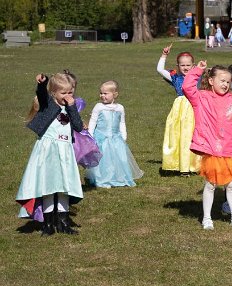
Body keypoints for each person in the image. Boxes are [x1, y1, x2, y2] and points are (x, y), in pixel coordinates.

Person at [182, 60, 232, 230]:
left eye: (228, 81)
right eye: (222, 80)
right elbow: (187, 87)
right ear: (212, 81)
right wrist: (197, 69)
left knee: (231, 184)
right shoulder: (201, 98)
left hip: (229, 149)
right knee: (211, 184)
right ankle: (207, 218)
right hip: (211, 149)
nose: (225, 84)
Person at [16, 73, 85, 235]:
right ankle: (47, 225)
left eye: (70, 93)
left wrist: (72, 106)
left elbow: (78, 126)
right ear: (53, 93)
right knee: (48, 186)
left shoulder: (70, 107)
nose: (68, 96)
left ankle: (63, 223)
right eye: (64, 93)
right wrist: (43, 83)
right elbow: (42, 93)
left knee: (63, 187)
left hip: (65, 152)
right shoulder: (48, 104)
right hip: (48, 152)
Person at [85, 81, 143, 188]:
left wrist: (123, 135)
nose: (102, 96)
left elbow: (122, 122)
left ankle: (118, 177)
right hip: (101, 138)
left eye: (105, 93)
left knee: (119, 158)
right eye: (101, 93)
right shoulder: (99, 107)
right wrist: (90, 135)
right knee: (103, 160)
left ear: (114, 94)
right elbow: (93, 121)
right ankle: (102, 178)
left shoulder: (120, 108)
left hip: (116, 138)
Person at [157, 46, 201, 174]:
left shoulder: (198, 77)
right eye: (182, 65)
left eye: (188, 65)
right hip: (180, 111)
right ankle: (178, 163)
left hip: (194, 109)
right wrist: (164, 55)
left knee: (193, 135)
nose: (186, 67)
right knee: (178, 135)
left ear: (193, 65)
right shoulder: (175, 77)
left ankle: (194, 164)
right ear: (178, 66)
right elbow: (160, 69)